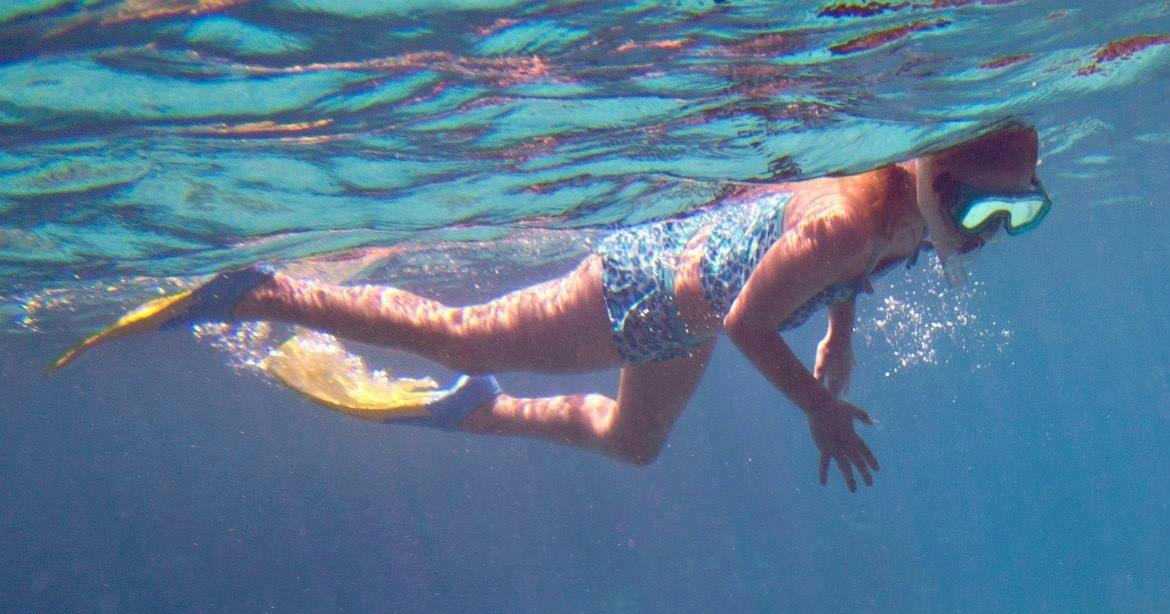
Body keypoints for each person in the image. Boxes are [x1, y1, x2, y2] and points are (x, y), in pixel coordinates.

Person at [49, 123, 1049, 489]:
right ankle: (265, 292)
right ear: (939, 184)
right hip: (643, 290)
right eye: (987, 209)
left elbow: (843, 276)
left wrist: (839, 330)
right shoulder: (841, 224)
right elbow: (742, 315)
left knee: (632, 444)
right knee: (459, 329)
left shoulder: (899, 220)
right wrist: (817, 410)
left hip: (677, 316)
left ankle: (468, 410)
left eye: (1016, 214)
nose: (993, 231)